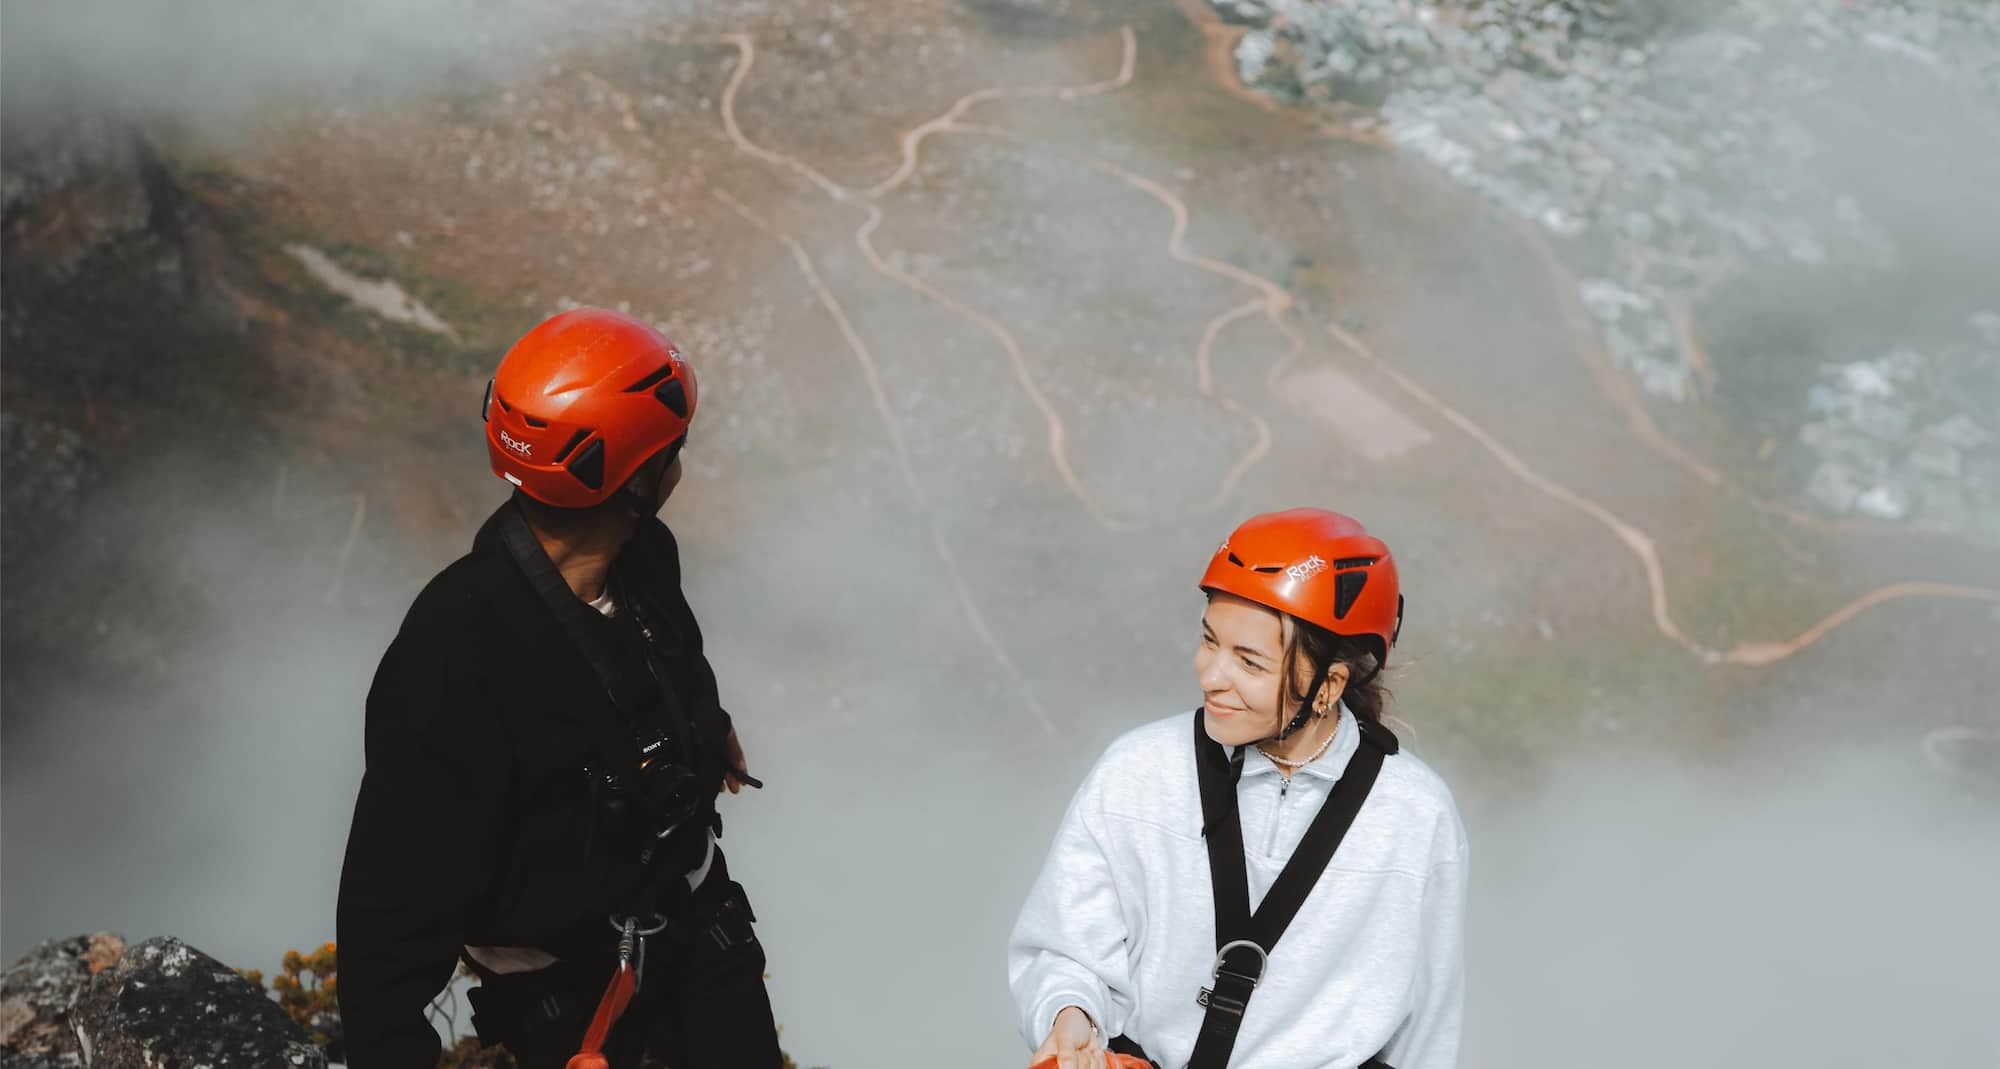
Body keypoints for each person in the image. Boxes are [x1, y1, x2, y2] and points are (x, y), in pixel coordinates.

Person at [336, 307, 784, 1069]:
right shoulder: (453, 656)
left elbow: (665, 664)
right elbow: (387, 934)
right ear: (638, 478)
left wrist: (705, 731)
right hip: (580, 1009)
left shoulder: (644, 559)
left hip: (700, 942)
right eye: (673, 450)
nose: (681, 463)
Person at [1009, 509, 1467, 1069]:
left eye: (1249, 662)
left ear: (1328, 685)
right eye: (1209, 641)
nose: (1210, 674)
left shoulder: (1413, 816)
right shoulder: (1139, 773)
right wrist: (1070, 1014)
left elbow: (1427, 1029)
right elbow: (1067, 950)